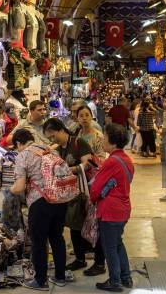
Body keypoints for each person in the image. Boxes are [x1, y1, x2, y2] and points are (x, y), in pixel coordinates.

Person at [42, 118, 106, 273]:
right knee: (75, 225)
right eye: (49, 138)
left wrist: (67, 170)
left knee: (93, 226)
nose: (52, 140)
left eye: (52, 136)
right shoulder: (59, 148)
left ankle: (99, 263)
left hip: (86, 191)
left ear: (61, 130)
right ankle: (80, 259)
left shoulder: (79, 143)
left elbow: (87, 164)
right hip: (71, 193)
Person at [10, 129, 67, 291]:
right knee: (57, 238)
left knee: (39, 242)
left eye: (16, 147)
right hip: (59, 198)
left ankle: (40, 281)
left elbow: (19, 186)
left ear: (19, 144)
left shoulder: (23, 156)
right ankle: (60, 277)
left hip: (40, 202)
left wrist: (10, 190)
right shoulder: (50, 149)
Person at [90, 124, 134, 292]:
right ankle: (126, 277)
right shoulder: (126, 159)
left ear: (112, 141)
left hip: (110, 210)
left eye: (105, 136)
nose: (102, 140)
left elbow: (95, 189)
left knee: (109, 248)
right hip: (123, 208)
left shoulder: (111, 161)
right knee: (117, 244)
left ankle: (115, 281)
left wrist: (92, 199)